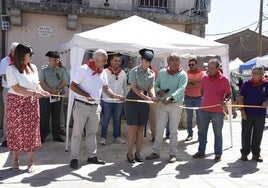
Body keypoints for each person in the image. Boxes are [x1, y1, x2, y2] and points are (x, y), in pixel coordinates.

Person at [69, 49, 124, 169]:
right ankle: (74, 157)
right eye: (104, 60)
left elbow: (106, 88)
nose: (106, 63)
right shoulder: (83, 69)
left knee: (92, 133)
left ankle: (91, 156)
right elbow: (72, 85)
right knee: (77, 133)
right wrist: (85, 95)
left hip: (95, 107)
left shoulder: (102, 71)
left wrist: (115, 96)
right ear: (96, 59)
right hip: (81, 105)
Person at [6, 44, 50, 173]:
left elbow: (36, 85)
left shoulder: (33, 67)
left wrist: (43, 91)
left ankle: (31, 162)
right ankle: (15, 160)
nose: (32, 55)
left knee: (31, 131)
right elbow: (16, 88)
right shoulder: (11, 68)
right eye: (29, 53)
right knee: (16, 131)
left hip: (31, 103)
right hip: (16, 103)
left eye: (32, 53)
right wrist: (34, 93)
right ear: (21, 54)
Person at [145, 53, 187, 163]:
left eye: (176, 60)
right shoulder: (163, 72)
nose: (174, 62)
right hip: (162, 104)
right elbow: (156, 85)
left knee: (173, 131)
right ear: (168, 61)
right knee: (159, 129)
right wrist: (159, 91)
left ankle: (172, 153)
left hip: (175, 105)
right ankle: (155, 152)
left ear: (179, 62)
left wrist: (171, 98)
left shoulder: (183, 74)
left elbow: (181, 89)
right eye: (172, 60)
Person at [192, 58, 231, 162]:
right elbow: (202, 91)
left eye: (213, 68)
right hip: (204, 110)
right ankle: (201, 152)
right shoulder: (204, 78)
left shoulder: (224, 80)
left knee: (217, 133)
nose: (210, 70)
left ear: (218, 68)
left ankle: (218, 154)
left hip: (217, 111)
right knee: (202, 132)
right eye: (209, 68)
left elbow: (228, 93)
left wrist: (225, 100)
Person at [126, 48, 156, 163]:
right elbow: (133, 87)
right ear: (141, 60)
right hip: (133, 99)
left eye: (149, 62)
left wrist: (152, 96)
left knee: (141, 128)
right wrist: (146, 98)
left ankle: (138, 153)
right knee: (133, 128)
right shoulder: (134, 71)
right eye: (145, 61)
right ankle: (129, 153)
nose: (147, 64)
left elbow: (150, 87)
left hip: (144, 102)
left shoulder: (151, 73)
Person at [238, 65, 268, 162]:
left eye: (256, 73)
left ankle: (256, 154)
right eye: (253, 73)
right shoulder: (247, 84)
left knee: (258, 134)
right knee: (246, 133)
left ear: (262, 74)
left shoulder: (266, 84)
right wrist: (242, 110)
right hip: (247, 113)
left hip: (260, 114)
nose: (253, 75)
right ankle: (244, 153)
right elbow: (240, 97)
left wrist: (267, 102)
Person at [39, 51, 67, 143]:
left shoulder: (61, 70)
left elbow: (64, 82)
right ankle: (42, 136)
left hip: (57, 96)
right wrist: (50, 90)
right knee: (44, 116)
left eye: (57, 60)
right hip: (45, 96)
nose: (56, 62)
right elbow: (41, 82)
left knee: (57, 116)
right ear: (49, 60)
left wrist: (57, 89)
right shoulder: (43, 70)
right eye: (54, 60)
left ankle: (56, 135)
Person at [100, 53, 127, 145]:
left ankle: (117, 137)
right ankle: (103, 137)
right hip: (107, 100)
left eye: (119, 61)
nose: (117, 62)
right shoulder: (105, 72)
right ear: (110, 61)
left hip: (119, 101)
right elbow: (103, 87)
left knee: (117, 120)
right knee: (106, 119)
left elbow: (125, 87)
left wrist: (125, 98)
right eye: (115, 60)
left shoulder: (123, 73)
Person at [0, 42, 18, 147]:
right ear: (11, 51)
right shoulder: (5, 61)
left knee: (17, 114)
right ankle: (7, 138)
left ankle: (16, 136)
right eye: (16, 51)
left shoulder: (19, 60)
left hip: (18, 90)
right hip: (9, 89)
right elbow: (5, 76)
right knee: (8, 114)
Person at [184, 58, 204, 141]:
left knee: (199, 117)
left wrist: (191, 82)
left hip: (199, 98)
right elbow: (185, 85)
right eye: (189, 65)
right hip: (188, 97)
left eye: (192, 64)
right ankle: (189, 134)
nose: (191, 66)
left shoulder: (201, 74)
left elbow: (201, 83)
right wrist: (195, 83)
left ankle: (200, 134)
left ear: (196, 64)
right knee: (189, 117)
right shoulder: (185, 74)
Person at [148, 65, 158, 142]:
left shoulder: (154, 73)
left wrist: (153, 96)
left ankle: (154, 135)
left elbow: (154, 86)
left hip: (152, 98)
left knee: (153, 118)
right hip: (142, 97)